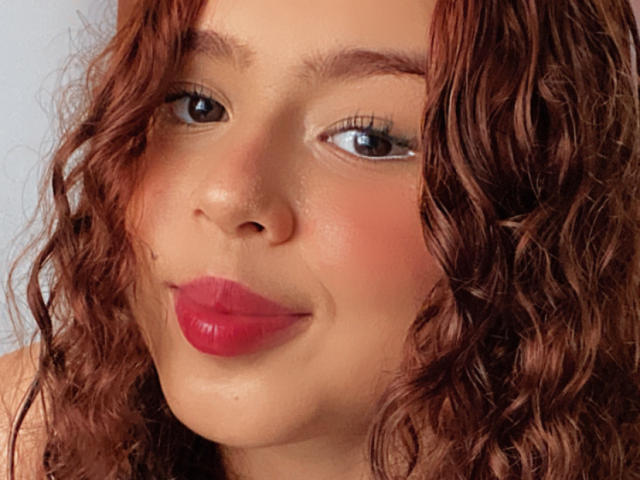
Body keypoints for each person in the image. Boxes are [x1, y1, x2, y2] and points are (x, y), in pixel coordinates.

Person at [1, 0, 639, 478]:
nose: (229, 196)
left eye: (369, 139)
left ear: (539, 203)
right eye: (196, 105)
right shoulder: (20, 432)